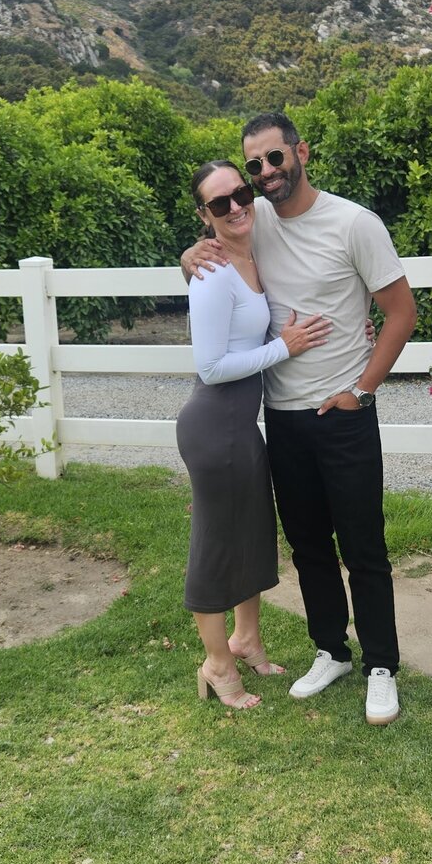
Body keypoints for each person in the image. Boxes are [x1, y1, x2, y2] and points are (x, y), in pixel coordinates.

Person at [181, 114, 417, 726]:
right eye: (253, 166)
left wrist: (362, 390)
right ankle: (331, 650)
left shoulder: (354, 223)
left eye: (274, 159)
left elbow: (401, 313)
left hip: (343, 415)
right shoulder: (253, 220)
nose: (263, 174)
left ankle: (381, 666)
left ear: (299, 153)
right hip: (282, 419)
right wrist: (188, 256)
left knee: (364, 548)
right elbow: (216, 254)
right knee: (309, 546)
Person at [176, 159, 331, 710]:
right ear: (205, 215)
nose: (236, 206)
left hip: (241, 427)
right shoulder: (213, 274)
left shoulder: (250, 251)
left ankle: (247, 640)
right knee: (217, 546)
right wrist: (283, 348)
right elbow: (212, 366)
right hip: (213, 426)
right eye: (220, 203)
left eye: (240, 193)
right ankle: (217, 665)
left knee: (251, 534)